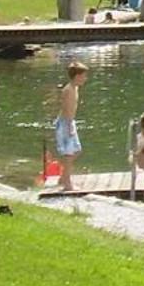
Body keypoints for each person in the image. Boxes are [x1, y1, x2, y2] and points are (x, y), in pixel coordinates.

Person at [54, 62, 88, 191]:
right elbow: (67, 109)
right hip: (65, 122)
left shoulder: (75, 88)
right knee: (69, 154)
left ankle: (63, 176)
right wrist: (69, 126)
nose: (85, 79)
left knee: (77, 151)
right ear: (77, 76)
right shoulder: (68, 90)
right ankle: (67, 184)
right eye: (84, 76)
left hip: (69, 121)